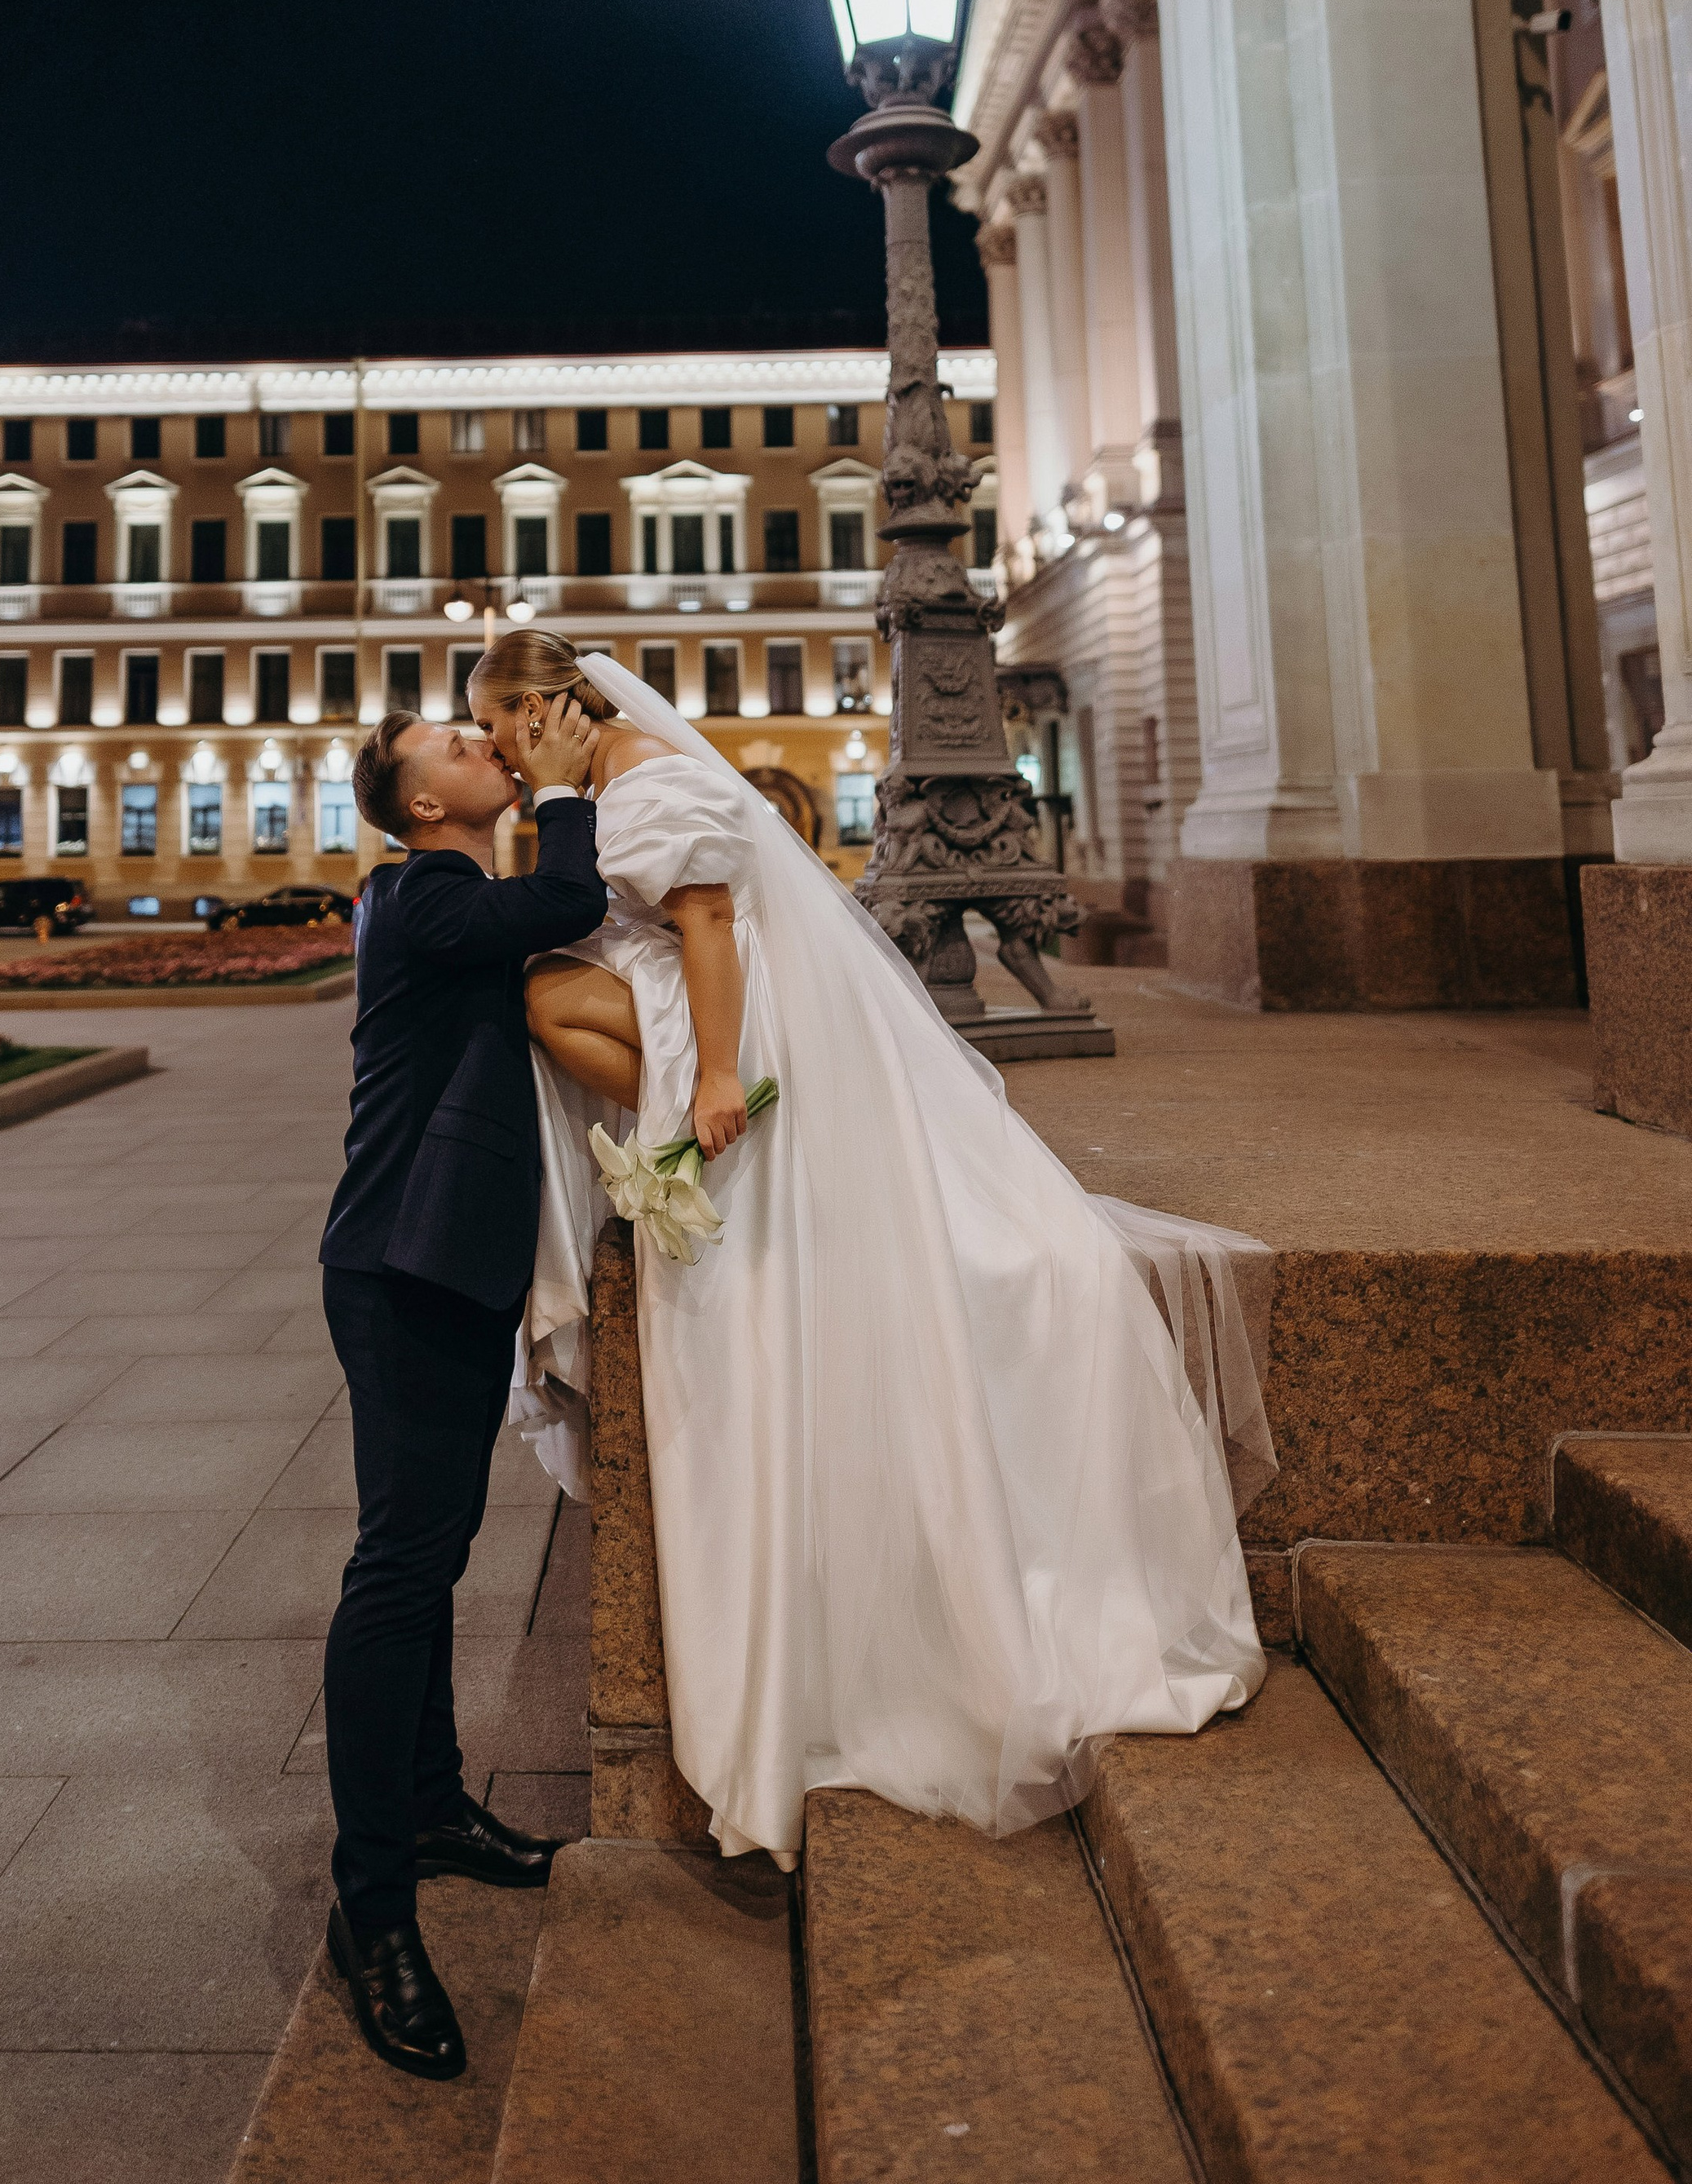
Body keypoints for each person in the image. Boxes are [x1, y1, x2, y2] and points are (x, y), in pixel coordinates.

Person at [466, 628, 1273, 1874]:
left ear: (546, 710)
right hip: (696, 1014)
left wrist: (718, 1074)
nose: (502, 762)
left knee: (544, 999)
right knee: (544, 992)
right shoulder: (601, 785)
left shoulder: (653, 781)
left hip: (737, 1026)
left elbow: (711, 927)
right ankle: (665, 1132)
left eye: (502, 733)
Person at [316, 691, 607, 2081]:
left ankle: (431, 1806)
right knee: (399, 1564)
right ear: (424, 802)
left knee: (434, 1552)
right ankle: (370, 1905)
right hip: (400, 1272)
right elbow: (568, 896)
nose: (480, 742)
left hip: (437, 1264)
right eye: (454, 744)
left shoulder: (432, 893)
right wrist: (561, 787)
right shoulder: (427, 891)